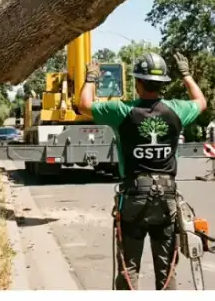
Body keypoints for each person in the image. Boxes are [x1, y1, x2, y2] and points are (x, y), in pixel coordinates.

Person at [78, 52, 206, 290]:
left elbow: (83, 105)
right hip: (166, 200)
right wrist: (186, 75)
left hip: (134, 199)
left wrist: (91, 79)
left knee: (129, 268)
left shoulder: (122, 111)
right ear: (163, 84)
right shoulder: (177, 110)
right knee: (166, 270)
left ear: (137, 83)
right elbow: (201, 101)